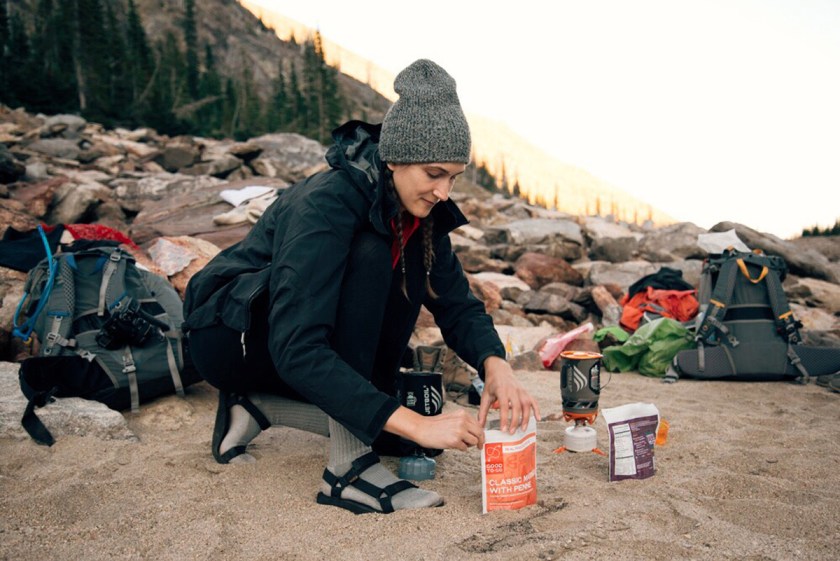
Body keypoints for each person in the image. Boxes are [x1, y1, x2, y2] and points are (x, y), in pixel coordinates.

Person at [183, 59, 541, 514]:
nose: (444, 192)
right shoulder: (326, 203)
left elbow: (456, 305)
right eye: (434, 174)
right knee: (374, 259)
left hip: (283, 348)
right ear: (395, 157)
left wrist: (497, 367)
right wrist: (415, 422)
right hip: (232, 336)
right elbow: (298, 346)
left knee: (419, 440)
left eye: (453, 177)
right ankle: (347, 472)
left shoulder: (416, 213)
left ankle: (257, 409)